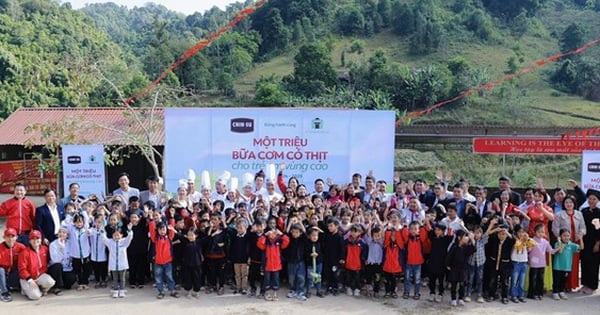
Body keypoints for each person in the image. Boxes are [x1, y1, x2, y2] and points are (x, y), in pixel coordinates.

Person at [551, 194, 586, 291]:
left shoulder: (579, 214)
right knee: (563, 263)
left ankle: (571, 285)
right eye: (566, 202)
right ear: (564, 204)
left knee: (573, 265)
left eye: (571, 202)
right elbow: (555, 229)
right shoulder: (559, 214)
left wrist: (581, 234)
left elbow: (583, 227)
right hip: (564, 242)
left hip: (575, 242)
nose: (569, 204)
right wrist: (562, 238)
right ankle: (562, 286)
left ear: (574, 203)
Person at [18, 230, 56, 300]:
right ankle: (25, 289)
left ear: (41, 239)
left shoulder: (45, 249)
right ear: (29, 240)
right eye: (33, 238)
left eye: (37, 238)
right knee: (36, 296)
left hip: (40, 275)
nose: (35, 240)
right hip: (28, 278)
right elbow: (22, 269)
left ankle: (39, 289)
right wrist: (29, 279)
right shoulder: (24, 252)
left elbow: (49, 260)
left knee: (51, 282)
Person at [100, 222, 134, 298]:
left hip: (122, 264)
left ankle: (122, 290)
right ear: (112, 236)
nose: (116, 236)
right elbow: (104, 239)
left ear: (121, 235)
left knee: (122, 278)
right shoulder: (110, 242)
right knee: (115, 278)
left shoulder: (124, 242)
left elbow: (130, 237)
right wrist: (102, 231)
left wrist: (129, 230)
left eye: (118, 235)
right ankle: (115, 290)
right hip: (113, 264)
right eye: (115, 235)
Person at [485, 221, 515, 304]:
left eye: (503, 234)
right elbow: (486, 235)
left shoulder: (509, 241)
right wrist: (495, 230)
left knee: (505, 282)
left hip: (505, 265)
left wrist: (507, 232)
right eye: (500, 234)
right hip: (494, 263)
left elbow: (514, 240)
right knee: (493, 280)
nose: (502, 235)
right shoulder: (494, 239)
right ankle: (492, 295)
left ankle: (504, 297)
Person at [149, 219, 179, 299]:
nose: (162, 231)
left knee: (169, 276)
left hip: (168, 261)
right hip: (158, 262)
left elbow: (171, 228)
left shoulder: (169, 237)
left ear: (166, 229)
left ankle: (172, 290)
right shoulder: (155, 239)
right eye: (160, 229)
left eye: (164, 229)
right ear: (157, 230)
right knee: (158, 277)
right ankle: (161, 291)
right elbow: (152, 230)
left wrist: (172, 218)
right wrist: (152, 220)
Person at [257, 227, 290, 301]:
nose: (272, 234)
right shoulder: (266, 241)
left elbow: (287, 241)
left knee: (276, 280)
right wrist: (264, 235)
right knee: (267, 280)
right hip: (267, 264)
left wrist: (281, 234)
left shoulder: (279, 241)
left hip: (276, 265)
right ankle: (267, 293)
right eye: (271, 233)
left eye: (274, 233)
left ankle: (275, 294)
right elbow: (259, 244)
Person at [527, 223, 558, 300]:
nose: (541, 234)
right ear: (535, 232)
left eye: (543, 232)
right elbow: (528, 250)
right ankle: (531, 294)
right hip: (533, 264)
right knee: (533, 279)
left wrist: (558, 248)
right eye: (539, 232)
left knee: (540, 279)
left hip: (542, 264)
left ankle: (539, 293)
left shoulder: (545, 242)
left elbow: (551, 251)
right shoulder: (531, 240)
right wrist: (531, 246)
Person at [446, 229, 475, 306]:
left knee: (462, 284)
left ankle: (461, 298)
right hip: (454, 268)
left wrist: (472, 239)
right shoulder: (454, 246)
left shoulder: (466, 247)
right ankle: (453, 298)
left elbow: (473, 249)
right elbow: (449, 256)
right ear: (459, 237)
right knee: (454, 284)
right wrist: (448, 265)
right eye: (465, 236)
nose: (466, 238)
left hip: (463, 269)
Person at [63, 213, 92, 290]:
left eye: (81, 222)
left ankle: (85, 283)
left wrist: (81, 211)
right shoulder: (72, 229)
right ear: (74, 222)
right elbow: (66, 221)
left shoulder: (86, 228)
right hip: (75, 254)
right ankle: (80, 283)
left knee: (86, 269)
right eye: (77, 222)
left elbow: (86, 218)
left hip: (85, 253)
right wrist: (72, 213)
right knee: (78, 270)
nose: (79, 224)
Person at [402, 220, 429, 300]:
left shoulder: (420, 239)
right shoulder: (408, 239)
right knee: (407, 279)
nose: (413, 231)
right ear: (409, 230)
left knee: (417, 280)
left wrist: (421, 226)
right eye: (411, 229)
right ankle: (406, 292)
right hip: (408, 263)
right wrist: (405, 226)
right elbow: (404, 233)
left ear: (418, 230)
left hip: (418, 263)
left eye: (415, 229)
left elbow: (424, 234)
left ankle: (417, 293)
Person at [552, 228, 582, 300]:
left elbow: (581, 248)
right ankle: (555, 292)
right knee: (557, 280)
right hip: (558, 266)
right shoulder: (557, 244)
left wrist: (581, 239)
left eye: (568, 235)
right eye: (564, 235)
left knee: (563, 280)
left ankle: (561, 291)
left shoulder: (571, 245)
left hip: (567, 266)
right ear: (560, 236)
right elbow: (560, 251)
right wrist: (559, 242)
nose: (566, 237)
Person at [580, 188, 600, 295]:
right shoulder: (584, 211)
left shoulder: (599, 212)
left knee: (593, 264)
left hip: (595, 241)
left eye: (594, 199)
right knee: (584, 262)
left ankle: (592, 286)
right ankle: (585, 283)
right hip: (585, 241)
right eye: (590, 199)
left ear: (597, 201)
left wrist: (598, 243)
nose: (592, 201)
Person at [427, 221, 452, 303]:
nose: (436, 231)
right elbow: (429, 229)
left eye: (439, 230)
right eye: (436, 229)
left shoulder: (446, 239)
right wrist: (427, 220)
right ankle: (432, 292)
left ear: (443, 231)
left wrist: (448, 226)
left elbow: (450, 235)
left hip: (441, 263)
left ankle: (440, 293)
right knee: (432, 280)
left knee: (441, 280)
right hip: (432, 262)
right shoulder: (433, 237)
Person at [47, 226, 76, 295]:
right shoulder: (53, 244)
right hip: (55, 268)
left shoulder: (70, 243)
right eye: (60, 232)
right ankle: (56, 287)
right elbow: (55, 260)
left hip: (66, 268)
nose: (61, 234)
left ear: (67, 235)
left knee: (70, 281)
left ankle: (63, 282)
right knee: (58, 266)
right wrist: (61, 249)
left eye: (64, 232)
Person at [510, 225, 535, 303]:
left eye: (523, 232)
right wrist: (522, 240)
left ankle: (521, 295)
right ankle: (513, 295)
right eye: (519, 232)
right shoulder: (515, 240)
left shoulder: (526, 240)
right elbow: (518, 246)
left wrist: (527, 240)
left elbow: (530, 248)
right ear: (516, 233)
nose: (521, 234)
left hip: (524, 262)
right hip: (516, 262)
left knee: (522, 280)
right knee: (514, 280)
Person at [0, 228, 26, 302]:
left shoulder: (21, 247)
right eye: (8, 236)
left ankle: (12, 286)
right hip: (2, 273)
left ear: (16, 237)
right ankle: (4, 292)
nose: (10, 239)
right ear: (4, 237)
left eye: (13, 236)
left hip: (13, 272)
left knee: (22, 269)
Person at [342, 224, 368, 297]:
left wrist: (364, 260)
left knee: (358, 278)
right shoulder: (346, 242)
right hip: (348, 263)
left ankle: (357, 289)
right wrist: (343, 259)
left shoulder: (362, 243)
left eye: (355, 232)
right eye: (352, 231)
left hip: (358, 264)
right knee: (348, 277)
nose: (353, 233)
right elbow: (343, 252)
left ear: (359, 233)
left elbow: (365, 253)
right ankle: (349, 288)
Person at [227, 218, 251, 295]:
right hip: (236, 259)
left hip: (244, 259)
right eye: (238, 228)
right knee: (237, 274)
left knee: (244, 275)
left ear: (245, 228)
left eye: (241, 228)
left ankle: (244, 288)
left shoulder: (248, 236)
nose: (239, 229)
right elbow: (227, 228)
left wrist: (249, 258)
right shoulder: (235, 235)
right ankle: (238, 287)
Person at [285, 220, 308, 300]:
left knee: (301, 277)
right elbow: (286, 233)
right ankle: (293, 290)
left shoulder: (302, 239)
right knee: (291, 277)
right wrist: (290, 222)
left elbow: (305, 233)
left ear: (300, 233)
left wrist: (300, 222)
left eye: (297, 232)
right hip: (291, 261)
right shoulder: (290, 238)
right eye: (293, 232)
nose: (294, 234)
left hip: (300, 261)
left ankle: (300, 292)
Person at [127, 212, 149, 289]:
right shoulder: (128, 227)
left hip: (141, 251)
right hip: (131, 251)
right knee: (132, 267)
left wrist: (145, 216)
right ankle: (132, 282)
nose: (134, 219)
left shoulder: (142, 226)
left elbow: (144, 220)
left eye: (135, 217)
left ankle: (141, 282)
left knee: (141, 267)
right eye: (132, 217)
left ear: (138, 219)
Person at [466, 226, 488, 303]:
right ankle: (468, 294)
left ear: (481, 234)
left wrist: (492, 224)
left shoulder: (482, 240)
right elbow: (472, 246)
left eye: (478, 233)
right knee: (470, 279)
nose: (477, 234)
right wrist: (471, 237)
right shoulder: (469, 240)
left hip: (480, 263)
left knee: (480, 279)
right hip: (471, 262)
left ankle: (479, 295)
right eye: (475, 233)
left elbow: (487, 232)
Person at [180, 227, 203, 298]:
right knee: (188, 278)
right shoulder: (185, 242)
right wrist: (173, 230)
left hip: (197, 264)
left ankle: (196, 291)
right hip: (187, 264)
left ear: (196, 235)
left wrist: (211, 228)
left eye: (192, 235)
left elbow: (208, 237)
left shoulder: (199, 242)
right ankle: (188, 291)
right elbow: (179, 236)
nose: (190, 237)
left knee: (197, 278)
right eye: (188, 235)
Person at [363, 224, 383, 298]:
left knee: (377, 278)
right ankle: (368, 291)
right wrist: (370, 224)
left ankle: (376, 291)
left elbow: (382, 231)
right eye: (375, 236)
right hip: (370, 263)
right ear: (372, 236)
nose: (377, 237)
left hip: (378, 264)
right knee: (368, 278)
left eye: (379, 236)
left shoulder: (381, 243)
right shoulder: (370, 243)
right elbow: (368, 234)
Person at [90, 214, 109, 288]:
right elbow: (87, 232)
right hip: (94, 254)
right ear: (94, 222)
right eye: (97, 222)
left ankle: (103, 280)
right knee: (96, 269)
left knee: (103, 268)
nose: (98, 224)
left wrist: (101, 231)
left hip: (102, 253)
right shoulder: (92, 230)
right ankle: (97, 280)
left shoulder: (104, 231)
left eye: (100, 222)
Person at [305, 227, 324, 298]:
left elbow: (323, 235)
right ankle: (308, 291)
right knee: (310, 278)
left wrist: (318, 229)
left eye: (316, 235)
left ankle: (319, 291)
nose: (315, 237)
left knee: (318, 277)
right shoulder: (307, 243)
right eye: (313, 235)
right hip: (310, 264)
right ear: (309, 236)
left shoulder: (319, 242)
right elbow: (305, 253)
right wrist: (310, 254)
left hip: (319, 263)